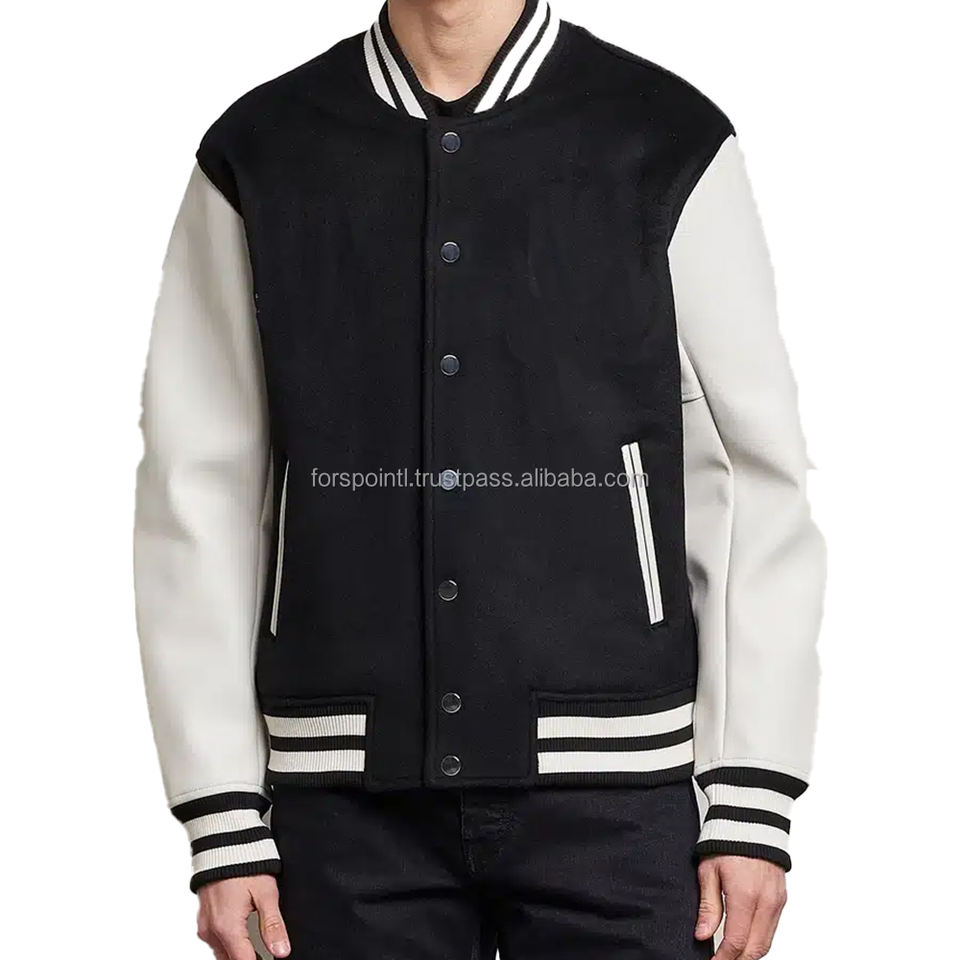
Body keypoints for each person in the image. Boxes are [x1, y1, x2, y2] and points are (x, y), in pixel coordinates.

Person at [134, 1, 825, 957]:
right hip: (343, 808)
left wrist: (750, 791)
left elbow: (754, 475)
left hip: (621, 804)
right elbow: (197, 486)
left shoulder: (664, 137)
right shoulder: (261, 151)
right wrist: (221, 811)